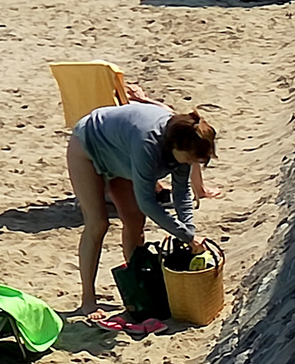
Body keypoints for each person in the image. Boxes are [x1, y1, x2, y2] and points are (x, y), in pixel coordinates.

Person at [67, 101, 215, 317]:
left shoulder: (184, 146)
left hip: (121, 156)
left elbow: (181, 193)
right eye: (191, 159)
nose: (192, 163)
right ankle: (88, 300)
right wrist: (184, 235)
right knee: (98, 224)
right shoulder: (148, 143)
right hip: (88, 146)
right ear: (175, 146)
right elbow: (147, 202)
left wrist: (189, 231)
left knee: (135, 223)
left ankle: (137, 290)